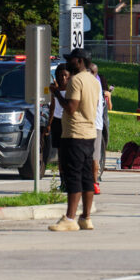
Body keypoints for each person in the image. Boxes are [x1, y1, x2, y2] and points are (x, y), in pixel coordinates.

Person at [48, 48, 100, 231]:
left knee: (73, 177)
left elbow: (71, 108)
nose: (68, 63)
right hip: (89, 134)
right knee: (87, 177)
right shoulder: (94, 81)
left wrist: (56, 93)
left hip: (74, 134)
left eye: (71, 60)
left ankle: (69, 218)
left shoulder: (75, 81)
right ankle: (85, 217)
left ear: (79, 61)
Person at [49, 65, 70, 190]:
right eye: (61, 75)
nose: (63, 78)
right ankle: (63, 182)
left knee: (69, 154)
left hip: (68, 123)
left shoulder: (71, 90)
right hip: (57, 122)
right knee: (60, 155)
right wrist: (49, 124)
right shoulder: (54, 90)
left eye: (66, 75)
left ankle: (69, 181)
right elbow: (52, 107)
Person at [89, 64, 104, 195]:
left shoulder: (94, 84)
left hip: (92, 125)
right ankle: (94, 183)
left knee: (94, 157)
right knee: (94, 156)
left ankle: (94, 183)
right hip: (96, 124)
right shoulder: (97, 83)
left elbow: (95, 104)